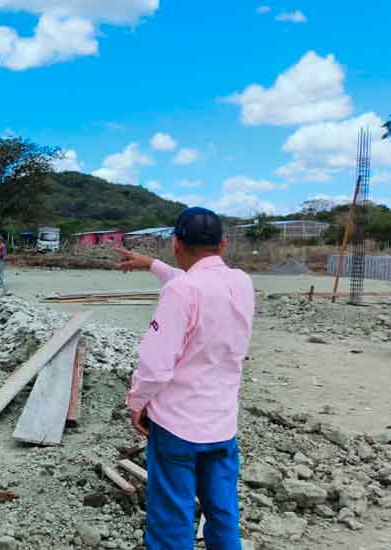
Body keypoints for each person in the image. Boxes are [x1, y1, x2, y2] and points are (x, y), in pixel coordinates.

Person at [115, 207, 254, 550]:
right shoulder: (241, 282)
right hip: (222, 425)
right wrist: (150, 264)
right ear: (222, 244)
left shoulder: (183, 291)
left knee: (171, 519)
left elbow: (156, 366)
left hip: (177, 426)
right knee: (222, 513)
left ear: (176, 243)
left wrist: (136, 402)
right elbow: (195, 283)